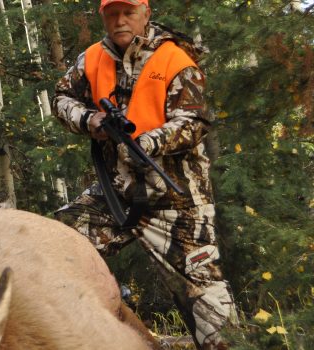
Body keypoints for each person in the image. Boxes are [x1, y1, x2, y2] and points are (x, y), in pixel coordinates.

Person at [52, 0, 238, 349]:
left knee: (212, 315)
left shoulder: (174, 59)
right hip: (116, 195)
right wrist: (89, 119)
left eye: (128, 12)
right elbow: (61, 98)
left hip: (178, 202)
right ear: (103, 17)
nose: (120, 21)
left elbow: (194, 121)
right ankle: (101, 317)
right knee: (55, 244)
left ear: (145, 13)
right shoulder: (91, 58)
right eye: (112, 13)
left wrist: (149, 142)